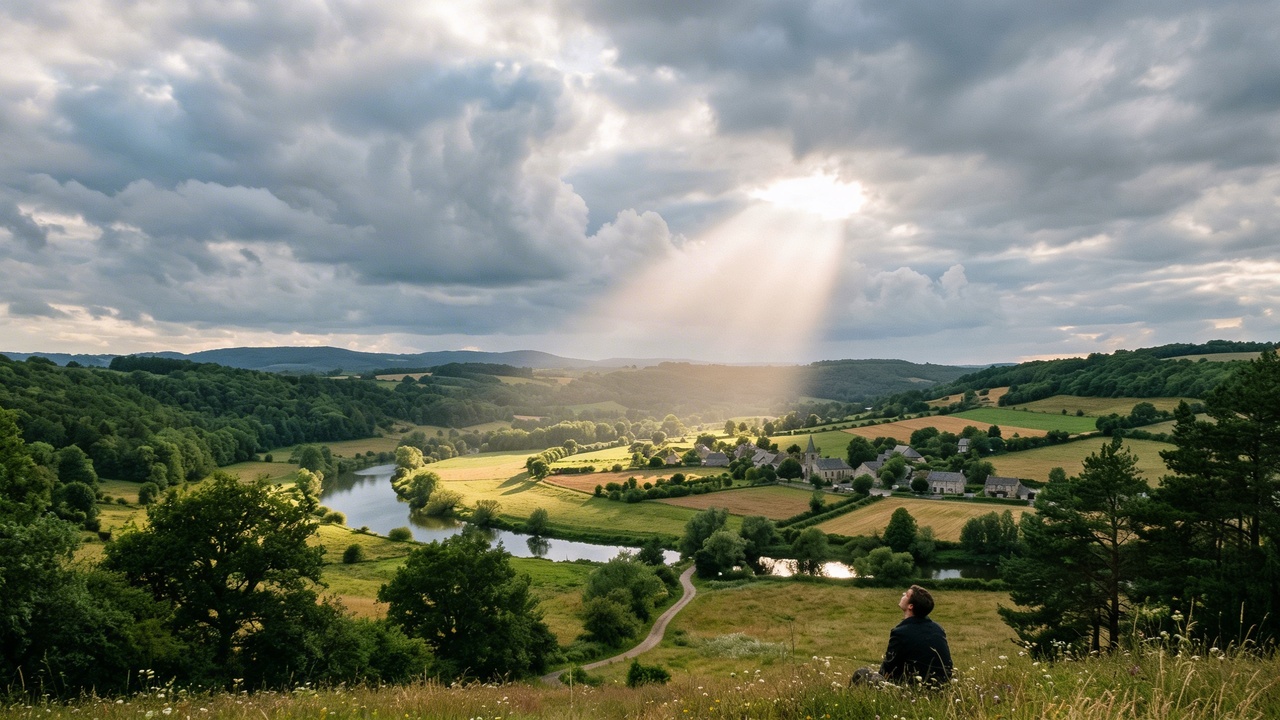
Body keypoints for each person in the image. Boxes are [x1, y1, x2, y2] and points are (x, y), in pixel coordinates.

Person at [852, 585, 953, 686]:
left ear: (910, 606)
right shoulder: (938, 628)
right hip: (942, 684)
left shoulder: (901, 632)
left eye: (907, 595)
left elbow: (888, 669)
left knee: (861, 673)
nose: (903, 595)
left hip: (914, 687)